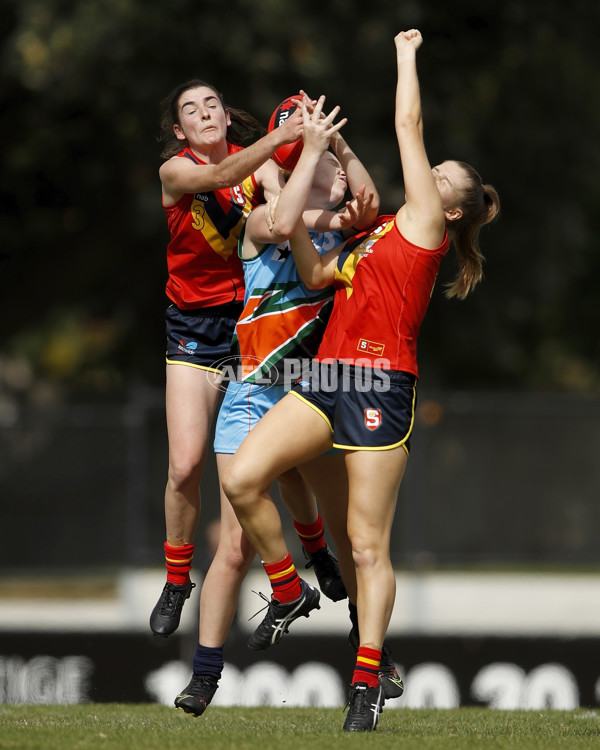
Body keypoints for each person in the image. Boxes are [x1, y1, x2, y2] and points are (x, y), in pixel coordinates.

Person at [222, 30, 500, 732]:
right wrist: (302, 203)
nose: (427, 179)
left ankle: (369, 682)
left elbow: (408, 123)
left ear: (456, 210)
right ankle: (289, 590)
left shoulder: (427, 227)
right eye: (430, 173)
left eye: (440, 179)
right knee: (244, 476)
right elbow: (317, 276)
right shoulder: (375, 230)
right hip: (326, 377)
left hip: (381, 386)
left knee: (368, 544)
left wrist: (406, 54)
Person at [174, 96, 404, 717]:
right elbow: (279, 223)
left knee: (355, 540)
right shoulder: (260, 222)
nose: (311, 164)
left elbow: (373, 204)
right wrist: (302, 150)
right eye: (297, 157)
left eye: (317, 159)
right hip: (253, 389)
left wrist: (339, 149)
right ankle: (211, 668)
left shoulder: (335, 223)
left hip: (312, 392)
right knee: (230, 544)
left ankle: (370, 652)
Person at [150, 79, 304, 637]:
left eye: (211, 103)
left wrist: (316, 153)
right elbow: (217, 179)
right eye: (190, 109)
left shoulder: (255, 162)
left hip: (246, 330)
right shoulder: (176, 171)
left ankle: (302, 570)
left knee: (260, 474)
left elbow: (289, 206)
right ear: (179, 130)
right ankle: (175, 578)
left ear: (223, 113)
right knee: (183, 465)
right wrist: (279, 136)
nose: (204, 113)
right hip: (192, 328)